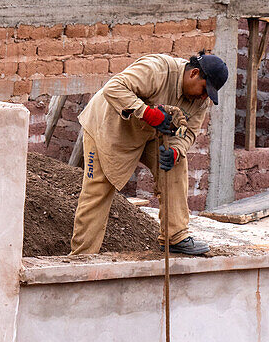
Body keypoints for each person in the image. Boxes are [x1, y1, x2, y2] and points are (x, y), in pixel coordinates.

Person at [70, 50, 229, 257]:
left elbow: (188, 132)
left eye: (209, 94)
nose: (204, 96)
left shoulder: (200, 100)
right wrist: (146, 112)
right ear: (194, 73)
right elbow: (113, 88)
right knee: (98, 190)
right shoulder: (157, 69)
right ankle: (82, 257)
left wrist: (175, 150)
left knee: (176, 164)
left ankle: (175, 236)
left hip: (150, 134)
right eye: (204, 89)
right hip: (109, 127)